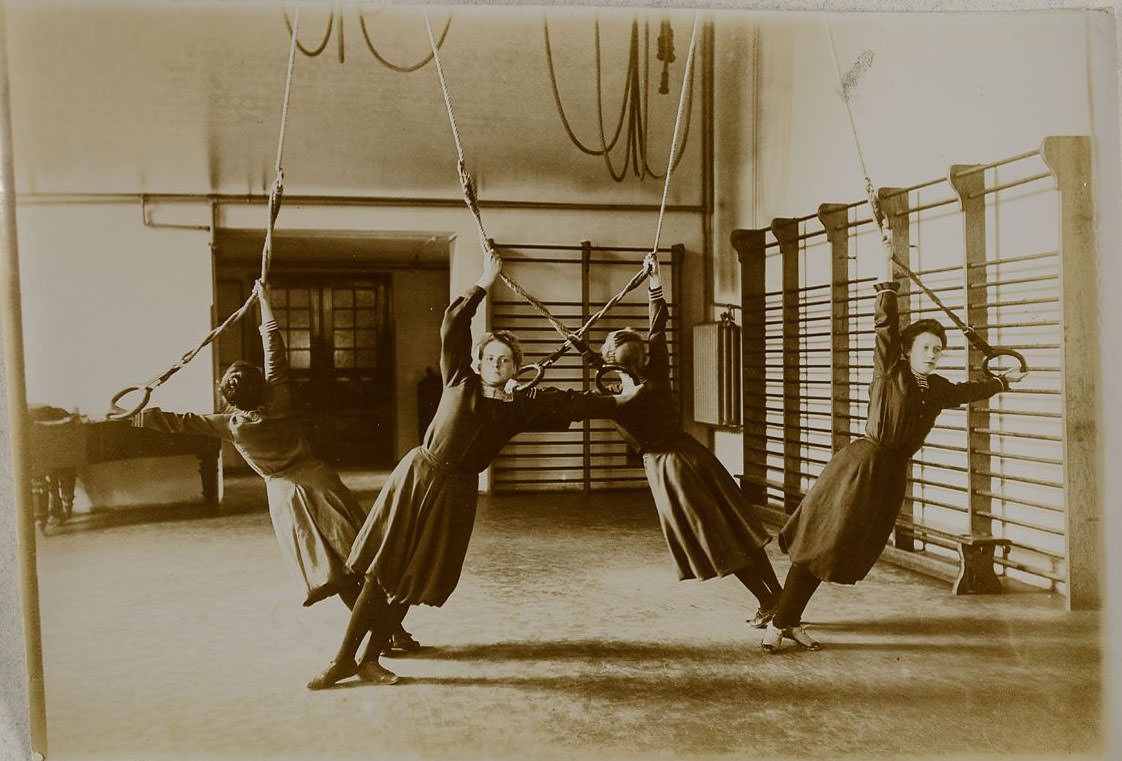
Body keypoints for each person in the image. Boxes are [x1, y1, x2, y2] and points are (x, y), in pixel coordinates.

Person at [306, 252, 644, 690]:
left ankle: (369, 659)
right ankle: (342, 660)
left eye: (506, 361)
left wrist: (621, 399)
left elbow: (573, 404)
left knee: (411, 578)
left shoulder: (521, 407)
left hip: (456, 493)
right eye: (491, 358)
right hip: (418, 479)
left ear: (516, 367)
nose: (497, 365)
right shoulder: (458, 379)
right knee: (380, 573)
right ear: (479, 361)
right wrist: (484, 281)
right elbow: (453, 327)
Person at [132, 280, 417, 660]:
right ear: (262, 387)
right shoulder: (279, 398)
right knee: (359, 564)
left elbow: (178, 421)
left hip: (286, 497)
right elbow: (274, 349)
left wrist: (135, 415)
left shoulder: (228, 425)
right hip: (320, 483)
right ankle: (393, 634)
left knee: (338, 573)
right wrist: (265, 301)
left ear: (228, 398)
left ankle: (391, 635)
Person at [763, 247, 1027, 652]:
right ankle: (779, 622)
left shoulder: (936, 388)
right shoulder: (891, 370)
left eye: (938, 349)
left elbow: (971, 390)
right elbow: (885, 323)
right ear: (907, 350)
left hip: (887, 477)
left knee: (834, 551)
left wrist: (1003, 382)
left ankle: (787, 618)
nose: (934, 354)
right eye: (926, 348)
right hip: (860, 467)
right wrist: (887, 279)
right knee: (821, 542)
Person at [598, 252, 783, 629]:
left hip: (672, 471)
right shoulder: (656, 376)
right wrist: (655, 281)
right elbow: (658, 328)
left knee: (721, 543)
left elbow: (649, 338)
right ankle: (777, 598)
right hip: (695, 456)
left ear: (610, 362)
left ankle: (770, 601)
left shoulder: (617, 400)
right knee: (737, 533)